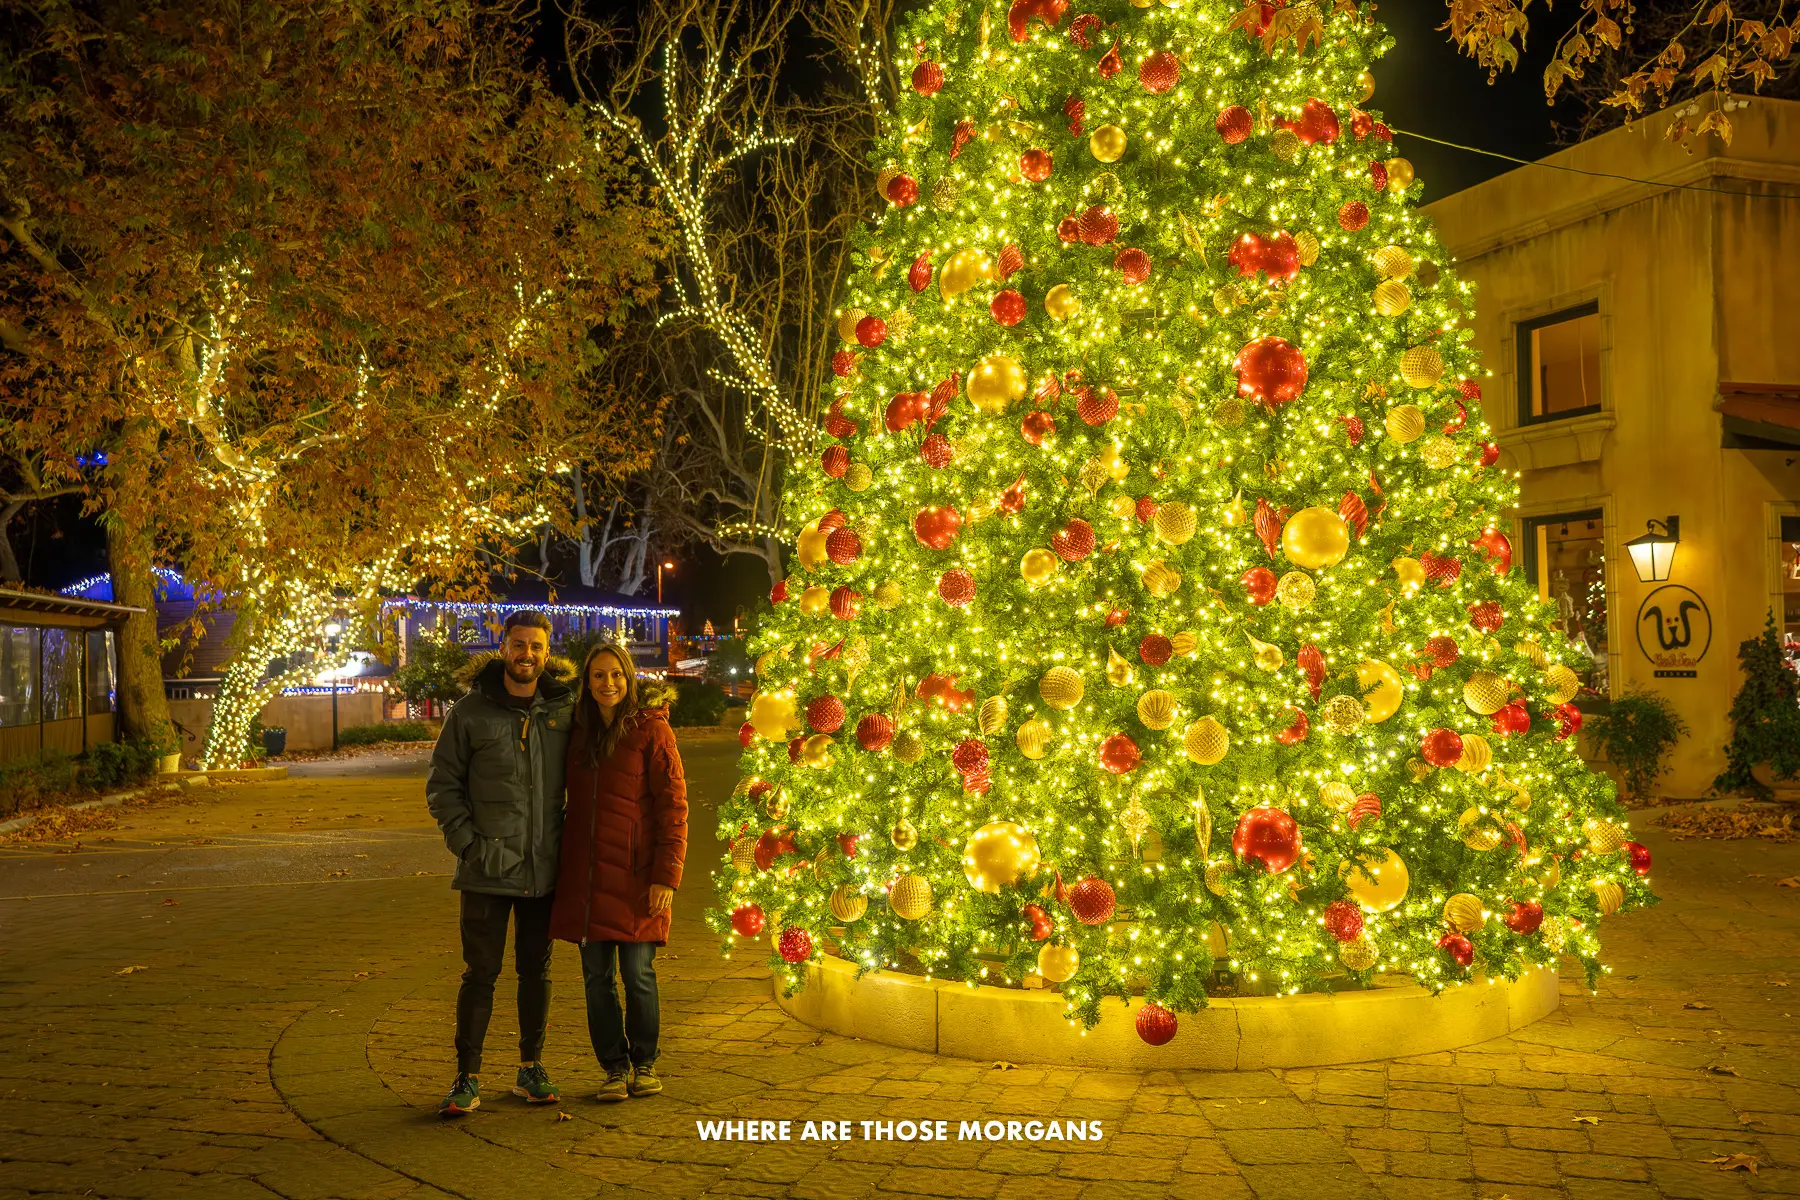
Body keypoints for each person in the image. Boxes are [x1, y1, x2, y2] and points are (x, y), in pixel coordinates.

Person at [425, 610, 575, 1117]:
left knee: (537, 971)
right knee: (480, 974)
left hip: (545, 869)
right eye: (518, 645)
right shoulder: (470, 712)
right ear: (502, 646)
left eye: (536, 646)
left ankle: (531, 1068)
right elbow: (442, 785)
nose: (527, 654)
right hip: (487, 869)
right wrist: (469, 845)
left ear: (547, 651)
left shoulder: (563, 710)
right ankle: (465, 1078)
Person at [550, 642, 688, 1102]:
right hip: (587, 880)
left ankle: (644, 1064)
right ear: (587, 684)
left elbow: (674, 806)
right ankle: (613, 1068)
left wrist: (666, 876)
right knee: (596, 979)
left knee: (638, 974)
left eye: (616, 675)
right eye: (598, 677)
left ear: (629, 679)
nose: (608, 684)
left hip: (636, 877)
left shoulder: (652, 730)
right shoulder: (578, 732)